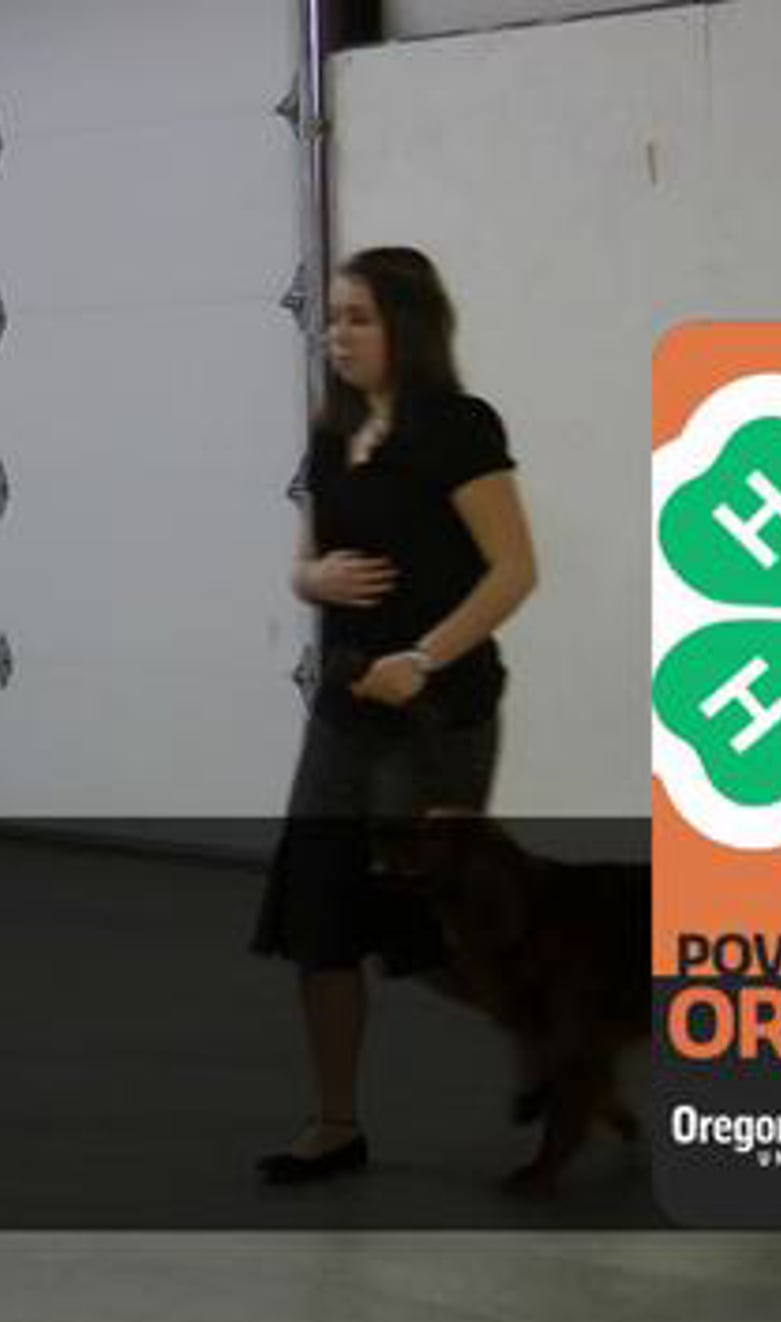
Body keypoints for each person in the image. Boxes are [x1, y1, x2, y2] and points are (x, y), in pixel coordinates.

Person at [250, 246, 539, 1182]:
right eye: (332, 317)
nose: (337, 334)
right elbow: (305, 562)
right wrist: (312, 579)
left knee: (437, 933)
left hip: (437, 716)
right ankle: (335, 1122)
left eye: (359, 317)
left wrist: (422, 660)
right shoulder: (333, 433)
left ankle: (564, 1045)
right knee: (321, 920)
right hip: (344, 713)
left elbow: (514, 571)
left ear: (407, 326)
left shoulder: (457, 428)